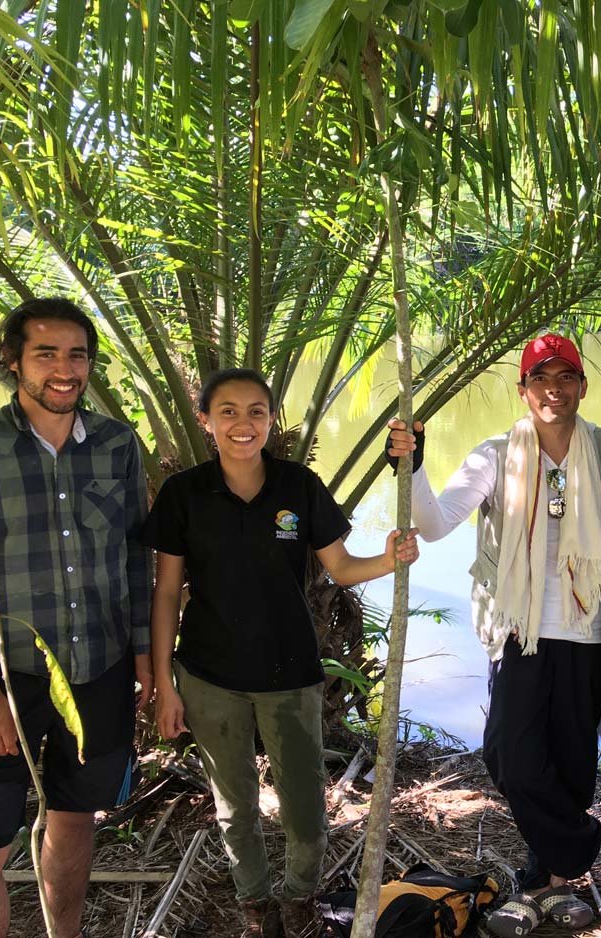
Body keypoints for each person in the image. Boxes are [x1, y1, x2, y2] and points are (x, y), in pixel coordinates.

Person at [145, 368, 418, 938]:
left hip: (291, 673)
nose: (243, 424)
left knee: (304, 809)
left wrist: (391, 557)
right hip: (208, 674)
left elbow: (340, 568)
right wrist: (167, 685)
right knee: (234, 805)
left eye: (256, 412)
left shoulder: (298, 486)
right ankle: (254, 905)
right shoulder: (184, 495)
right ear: (205, 421)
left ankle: (298, 898)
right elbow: (168, 591)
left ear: (271, 420)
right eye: (228, 412)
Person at [0, 298, 152, 938]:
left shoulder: (117, 445)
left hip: (99, 669)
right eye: (45, 353)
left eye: (76, 354)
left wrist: (141, 655)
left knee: (76, 818)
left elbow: (137, 557)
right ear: (12, 360)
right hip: (4, 682)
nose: (64, 369)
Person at [385, 334, 601, 937]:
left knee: (570, 759)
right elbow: (434, 525)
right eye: (542, 380)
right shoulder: (494, 454)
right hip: (517, 630)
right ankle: (578, 849)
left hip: (588, 629)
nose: (555, 390)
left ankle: (550, 883)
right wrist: (409, 467)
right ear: (524, 391)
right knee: (509, 754)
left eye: (566, 378)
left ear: (582, 388)